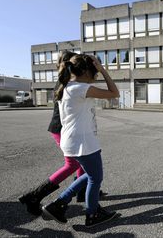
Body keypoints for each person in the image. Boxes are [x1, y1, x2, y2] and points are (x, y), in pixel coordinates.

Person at [18, 51, 104, 216]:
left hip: (63, 129)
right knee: (73, 165)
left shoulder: (66, 81)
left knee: (79, 164)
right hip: (62, 129)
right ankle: (35, 196)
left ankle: (80, 192)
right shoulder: (68, 83)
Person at [41, 54, 119, 227]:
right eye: (94, 71)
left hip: (73, 141)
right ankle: (92, 214)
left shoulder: (67, 86)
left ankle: (59, 204)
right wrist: (103, 70)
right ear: (85, 71)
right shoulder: (80, 88)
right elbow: (115, 93)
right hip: (83, 142)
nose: (96, 75)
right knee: (95, 178)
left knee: (91, 175)